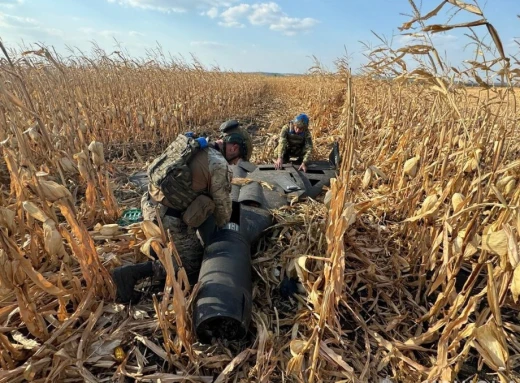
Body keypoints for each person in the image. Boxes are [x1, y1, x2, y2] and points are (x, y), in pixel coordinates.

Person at [112, 120, 252, 304]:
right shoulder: (218, 164)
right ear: (234, 148)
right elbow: (223, 212)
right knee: (189, 269)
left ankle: (161, 250)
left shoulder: (191, 145)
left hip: (149, 204)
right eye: (236, 160)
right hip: (167, 218)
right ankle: (129, 274)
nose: (234, 164)